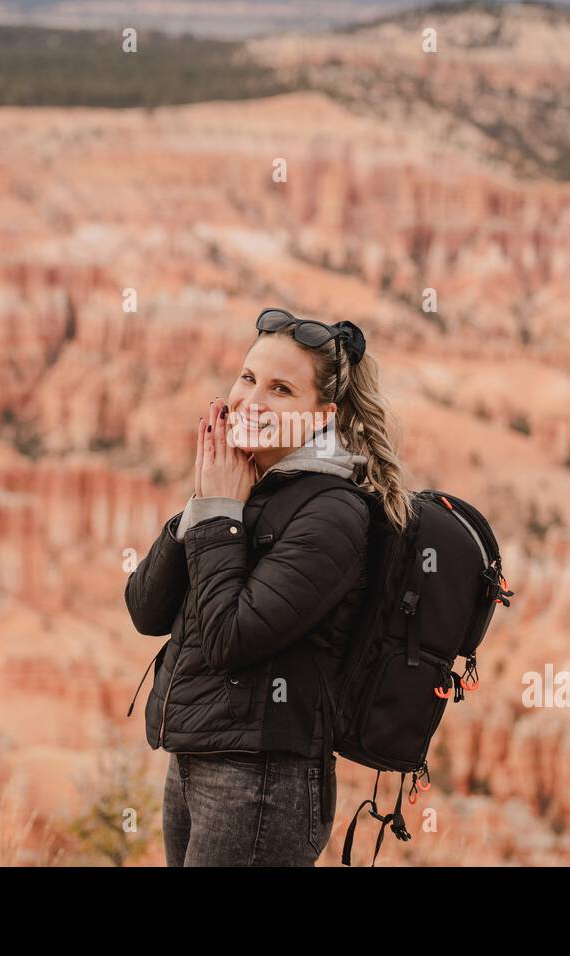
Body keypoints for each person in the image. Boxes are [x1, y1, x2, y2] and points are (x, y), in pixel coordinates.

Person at [124, 308, 413, 866]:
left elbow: (231, 638)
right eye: (248, 378)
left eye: (281, 389)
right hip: (193, 762)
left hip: (260, 786)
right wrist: (205, 501)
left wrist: (219, 513)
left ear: (321, 416)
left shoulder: (332, 513)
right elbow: (145, 608)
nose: (252, 401)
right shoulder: (243, 486)